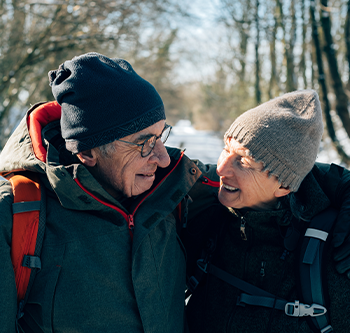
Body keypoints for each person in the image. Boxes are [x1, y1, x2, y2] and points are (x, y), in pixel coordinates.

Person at [0, 52, 220, 333]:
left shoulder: (176, 186)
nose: (163, 158)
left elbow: (259, 179)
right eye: (144, 143)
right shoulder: (14, 211)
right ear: (88, 152)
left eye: (161, 135)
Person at [185, 90, 350, 333]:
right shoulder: (202, 207)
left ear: (283, 185)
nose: (221, 168)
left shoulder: (334, 251)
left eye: (242, 161)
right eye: (226, 148)